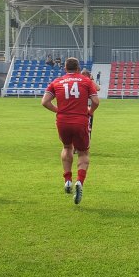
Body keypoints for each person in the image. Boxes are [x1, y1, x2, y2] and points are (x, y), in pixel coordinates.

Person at [42, 57, 99, 205]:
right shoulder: (86, 81)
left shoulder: (57, 82)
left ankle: (67, 180)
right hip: (80, 120)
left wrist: (58, 110)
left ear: (65, 68)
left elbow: (45, 102)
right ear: (79, 68)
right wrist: (90, 112)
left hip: (63, 121)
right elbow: (96, 101)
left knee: (67, 147)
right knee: (83, 152)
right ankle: (79, 181)